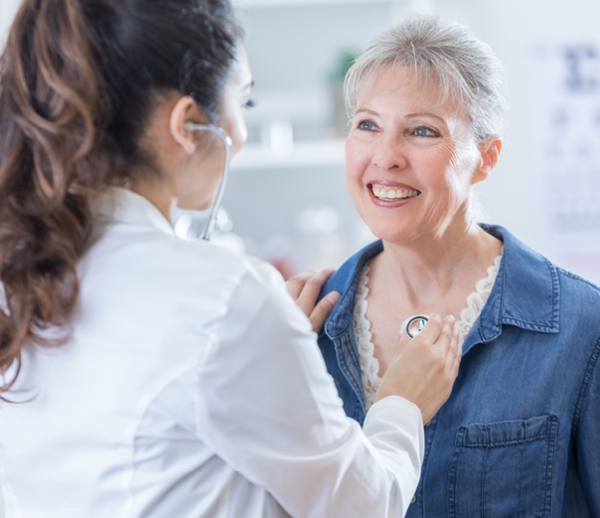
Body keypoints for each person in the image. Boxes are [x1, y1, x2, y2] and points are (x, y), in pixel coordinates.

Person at [0, 1, 462, 517]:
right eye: (244, 103)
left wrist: (268, 352)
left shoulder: (19, 272)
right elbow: (364, 505)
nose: (239, 135)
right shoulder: (223, 298)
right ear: (188, 124)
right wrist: (400, 403)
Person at [316, 14, 600, 517]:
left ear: (485, 158)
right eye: (367, 125)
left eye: (422, 131)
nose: (385, 156)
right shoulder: (305, 329)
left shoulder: (582, 327)